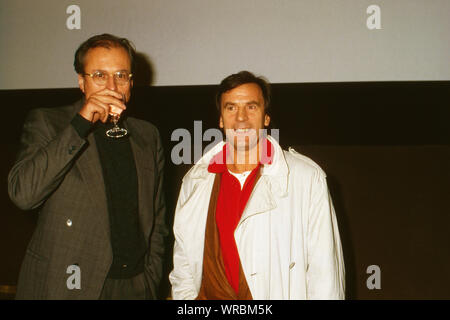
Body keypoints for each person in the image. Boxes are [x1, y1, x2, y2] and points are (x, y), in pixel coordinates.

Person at [8, 34, 168, 299]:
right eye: (99, 75)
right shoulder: (49, 122)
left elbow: (157, 220)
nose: (112, 86)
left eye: (121, 75)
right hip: (68, 285)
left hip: (135, 287)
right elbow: (24, 194)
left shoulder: (147, 135)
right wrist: (81, 123)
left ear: (131, 82)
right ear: (81, 82)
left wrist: (150, 277)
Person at [169, 71, 345, 299]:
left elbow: (325, 271)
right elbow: (183, 262)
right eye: (231, 108)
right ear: (221, 119)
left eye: (251, 107)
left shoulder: (306, 178)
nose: (241, 118)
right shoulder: (195, 181)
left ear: (266, 117)